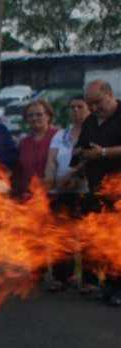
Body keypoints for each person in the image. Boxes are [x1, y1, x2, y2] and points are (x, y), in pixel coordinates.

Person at [72, 80, 121, 306]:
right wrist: (81, 157)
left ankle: (118, 289)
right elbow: (82, 150)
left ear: (110, 94)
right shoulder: (91, 121)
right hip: (96, 191)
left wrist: (103, 153)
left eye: (97, 103)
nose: (93, 108)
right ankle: (108, 286)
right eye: (90, 104)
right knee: (101, 242)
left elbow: (101, 153)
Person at [44, 97, 90, 291]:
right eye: (72, 107)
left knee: (87, 238)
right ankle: (62, 276)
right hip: (60, 191)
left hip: (84, 191)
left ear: (89, 110)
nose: (75, 111)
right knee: (61, 236)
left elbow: (89, 161)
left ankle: (89, 281)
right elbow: (52, 160)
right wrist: (50, 180)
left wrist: (75, 178)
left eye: (80, 107)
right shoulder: (61, 134)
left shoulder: (94, 134)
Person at [15, 99, 57, 199]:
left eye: (39, 114)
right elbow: (20, 172)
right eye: (30, 115)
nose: (34, 118)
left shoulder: (58, 137)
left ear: (48, 116)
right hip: (29, 198)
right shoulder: (24, 143)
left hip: (53, 196)